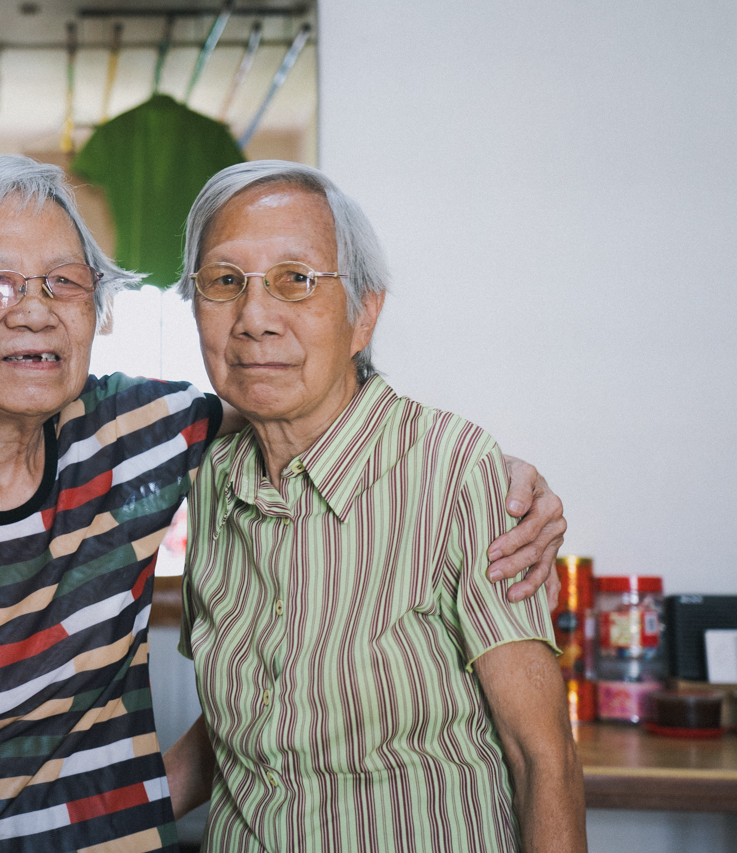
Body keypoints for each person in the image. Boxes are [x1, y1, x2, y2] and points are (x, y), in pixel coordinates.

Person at [0, 154, 566, 852]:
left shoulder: (143, 438)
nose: (34, 308)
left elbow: (294, 399)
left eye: (64, 281)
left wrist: (496, 474)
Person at [165, 161, 586, 852]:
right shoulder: (212, 480)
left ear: (363, 313)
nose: (255, 318)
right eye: (223, 281)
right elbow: (240, 729)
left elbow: (542, 757)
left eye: (295, 280)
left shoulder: (456, 469)